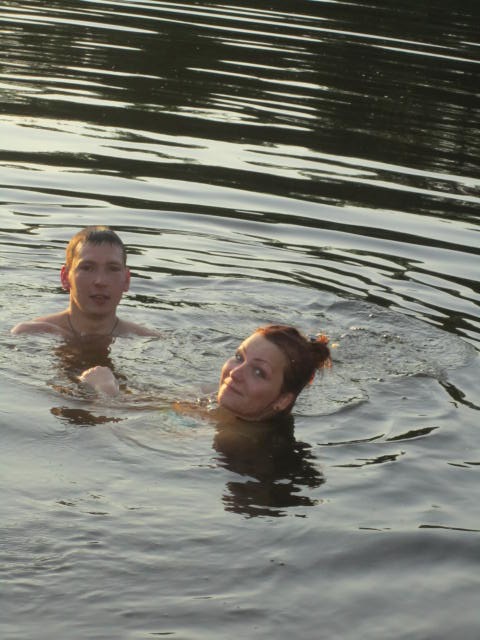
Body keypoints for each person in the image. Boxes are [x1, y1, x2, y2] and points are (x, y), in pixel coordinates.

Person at [79, 324, 332, 423]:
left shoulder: (235, 441)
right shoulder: (217, 398)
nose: (235, 373)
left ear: (283, 400)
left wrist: (106, 394)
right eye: (239, 357)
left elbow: (118, 434)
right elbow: (159, 406)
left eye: (258, 372)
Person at [11, 225, 158, 338]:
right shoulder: (29, 334)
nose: (100, 281)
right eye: (87, 268)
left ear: (126, 280)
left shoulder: (148, 340)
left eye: (113, 269)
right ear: (65, 277)